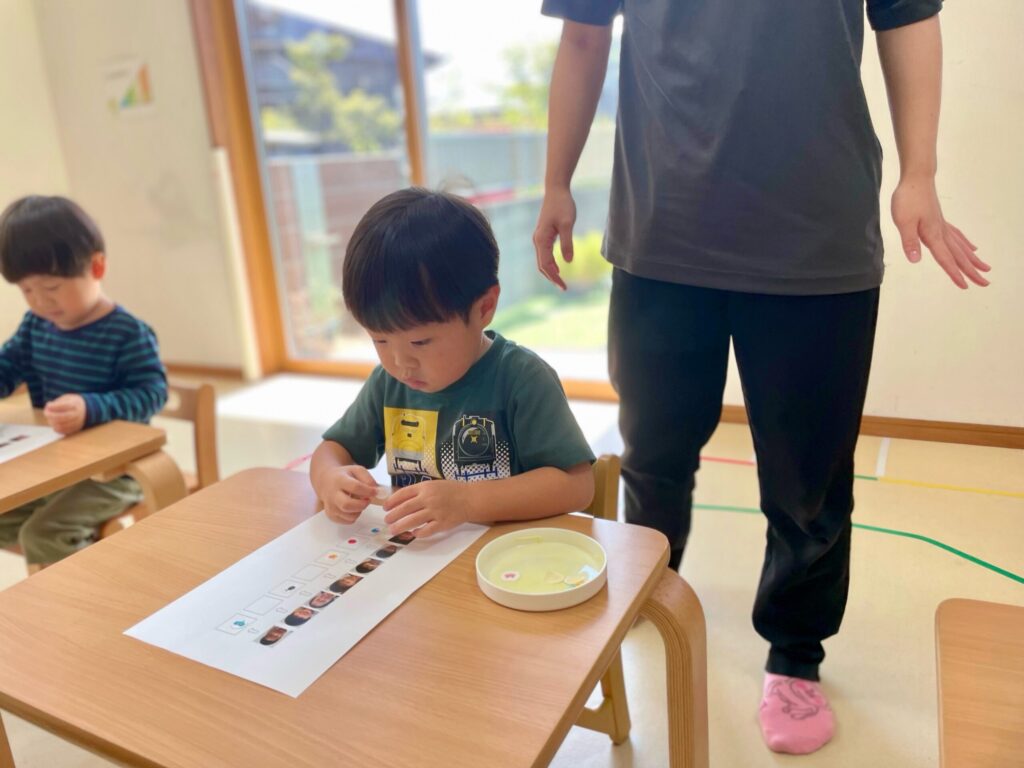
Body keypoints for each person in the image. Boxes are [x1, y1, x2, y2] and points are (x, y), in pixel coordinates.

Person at [535, 0, 989, 755]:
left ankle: (795, 653)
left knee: (809, 480)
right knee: (654, 454)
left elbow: (908, 17)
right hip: (662, 231)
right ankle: (649, 588)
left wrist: (921, 172)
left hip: (817, 234)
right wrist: (556, 180)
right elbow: (583, 37)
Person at [310, 188, 596, 540]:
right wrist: (330, 478)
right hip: (424, 560)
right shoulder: (389, 383)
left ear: (484, 308)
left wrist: (468, 501)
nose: (401, 363)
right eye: (379, 340)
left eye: (420, 342)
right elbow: (332, 451)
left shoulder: (522, 379)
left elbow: (576, 485)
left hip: (507, 557)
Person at [0, 196, 168, 571]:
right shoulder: (35, 326)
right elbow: (7, 367)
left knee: (43, 534)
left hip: (118, 471)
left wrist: (91, 407)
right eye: (27, 291)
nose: (40, 301)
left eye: (51, 287)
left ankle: (85, 592)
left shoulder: (127, 332)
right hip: (58, 466)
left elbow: (152, 394)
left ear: (96, 266)